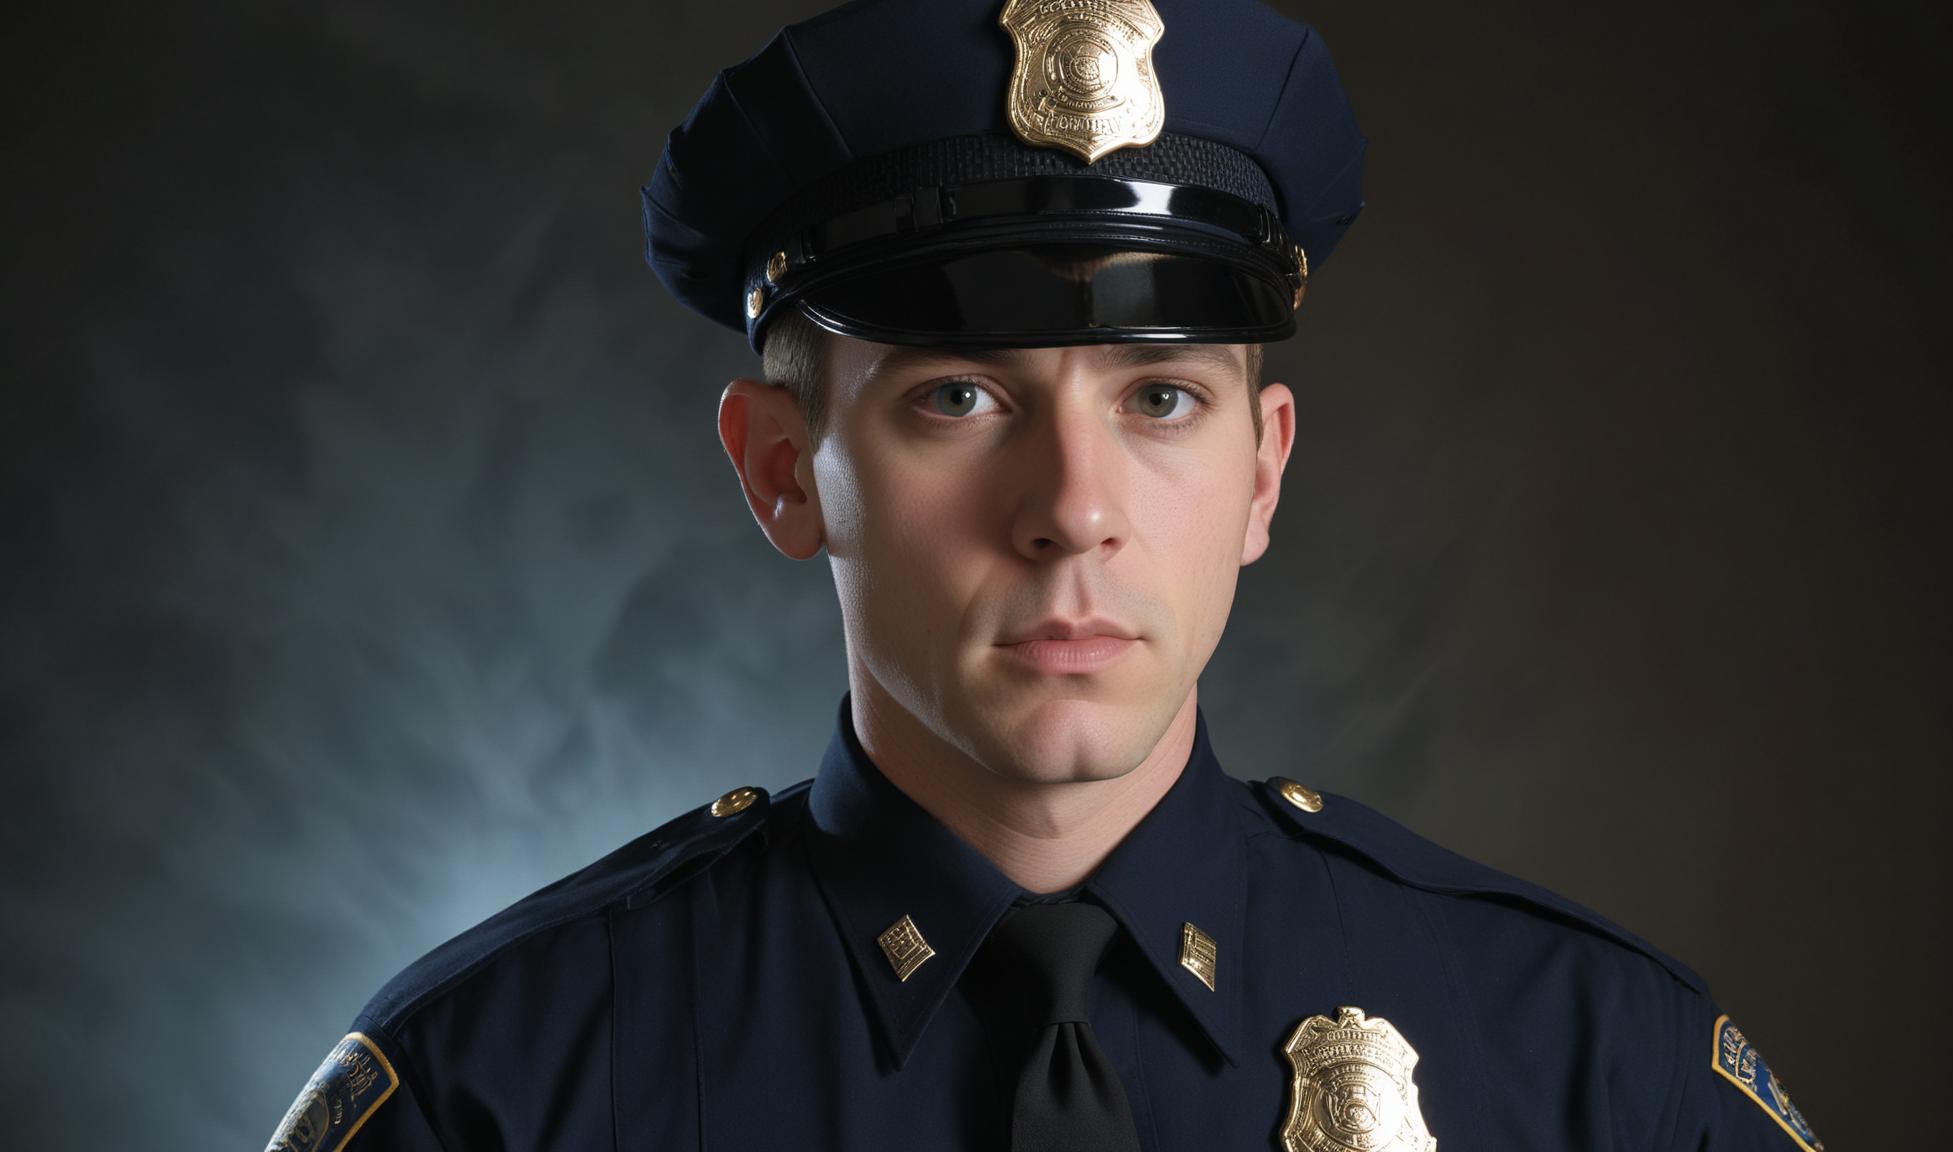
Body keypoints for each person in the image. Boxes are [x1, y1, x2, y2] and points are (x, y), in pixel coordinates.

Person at [267, 1, 1822, 1149]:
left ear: (1262, 470)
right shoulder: (501, 1089)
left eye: (1159, 399)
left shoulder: (1595, 1070)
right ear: (778, 470)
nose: (1074, 510)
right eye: (958, 397)